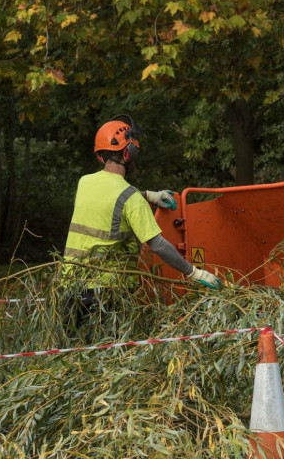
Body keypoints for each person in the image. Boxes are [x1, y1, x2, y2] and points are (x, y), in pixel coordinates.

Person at [61, 115, 221, 331]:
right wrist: (194, 272)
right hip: (106, 293)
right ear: (128, 154)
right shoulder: (130, 198)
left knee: (74, 354)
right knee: (110, 356)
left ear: (100, 157)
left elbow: (108, 198)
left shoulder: (85, 182)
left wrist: (148, 195)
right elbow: (159, 245)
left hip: (70, 285)